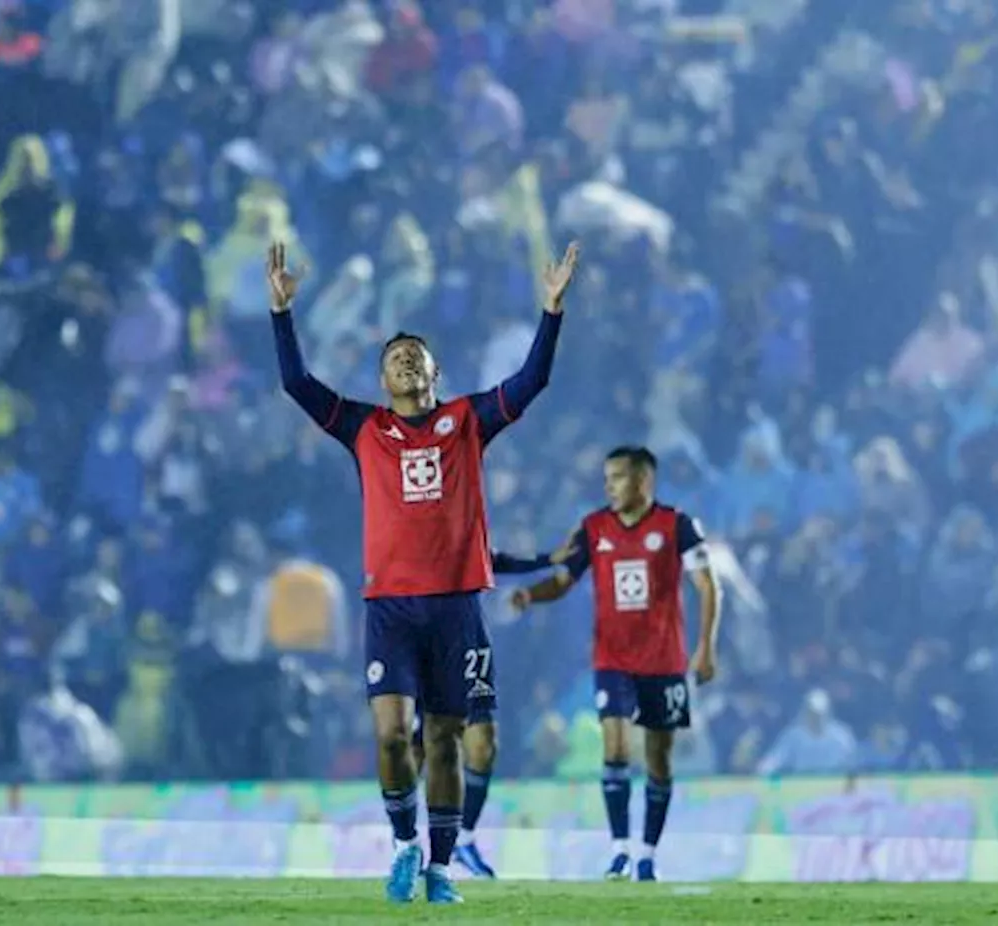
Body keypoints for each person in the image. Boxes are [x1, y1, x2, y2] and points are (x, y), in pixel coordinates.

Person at [266, 240, 580, 904]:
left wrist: (551, 312)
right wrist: (281, 314)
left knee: (444, 742)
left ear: (435, 371)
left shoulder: (467, 421)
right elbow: (297, 385)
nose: (403, 359)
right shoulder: (362, 428)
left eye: (414, 354)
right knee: (389, 736)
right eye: (392, 359)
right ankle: (405, 844)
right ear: (383, 381)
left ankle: (439, 867)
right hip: (391, 608)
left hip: (457, 609)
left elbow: (532, 384)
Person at [511, 446, 722, 883]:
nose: (608, 486)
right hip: (613, 660)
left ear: (643, 481)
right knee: (617, 748)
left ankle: (647, 854)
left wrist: (705, 647)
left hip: (664, 662)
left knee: (659, 760)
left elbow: (707, 585)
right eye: (606, 477)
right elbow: (565, 579)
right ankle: (620, 850)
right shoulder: (594, 528)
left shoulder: (677, 525)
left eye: (618, 477)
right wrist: (532, 595)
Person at [409, 547, 575, 879]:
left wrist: (547, 559)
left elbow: (497, 560)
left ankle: (464, 840)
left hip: (470, 642)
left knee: (483, 745)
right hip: (424, 640)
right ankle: (405, 840)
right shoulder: (414, 528)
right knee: (420, 744)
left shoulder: (463, 531)